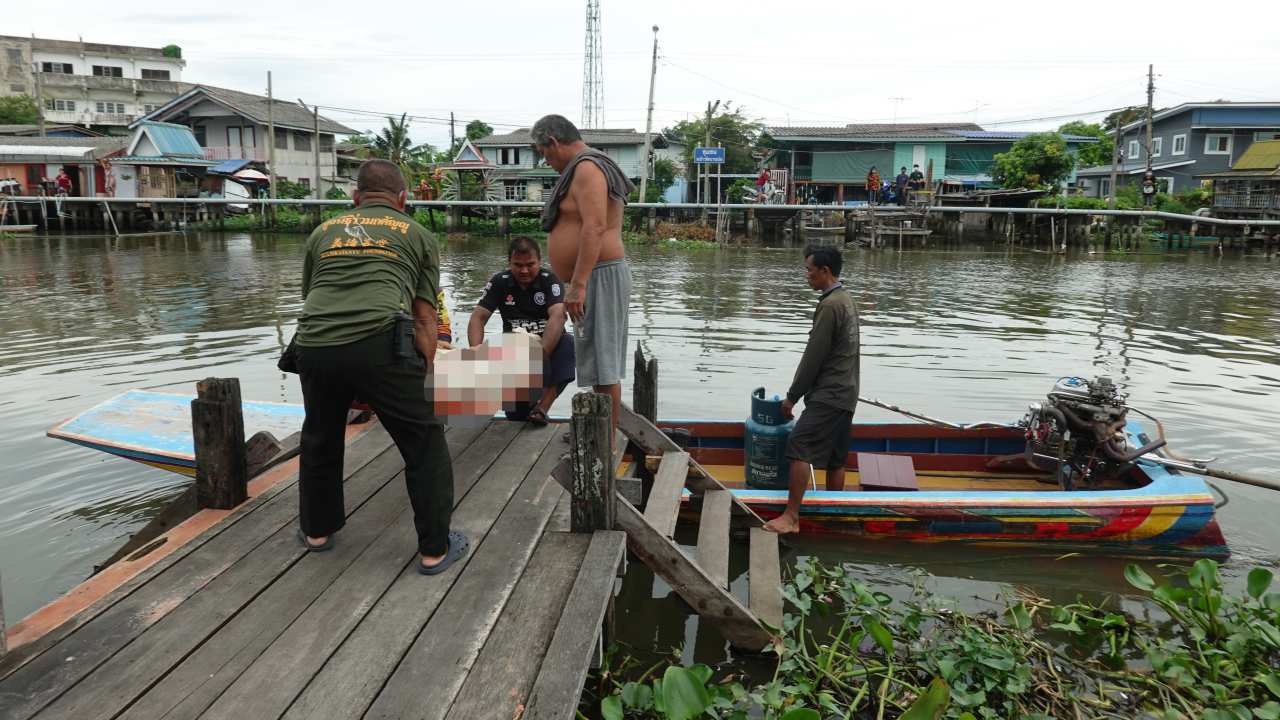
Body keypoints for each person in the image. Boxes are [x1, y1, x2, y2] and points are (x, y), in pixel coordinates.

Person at [293, 159, 463, 575]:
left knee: (320, 436)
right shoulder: (419, 234)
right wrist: (426, 378)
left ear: (355, 198)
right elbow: (425, 317)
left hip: (313, 344)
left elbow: (313, 296)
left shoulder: (323, 232)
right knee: (424, 442)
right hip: (379, 341)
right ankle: (435, 550)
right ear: (403, 199)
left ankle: (317, 531)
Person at [533, 114, 634, 443]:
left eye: (545, 154)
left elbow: (595, 226)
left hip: (598, 277)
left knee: (604, 366)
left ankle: (601, 443)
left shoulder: (588, 168)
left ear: (554, 141)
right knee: (593, 360)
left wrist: (578, 285)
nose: (546, 162)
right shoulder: (581, 168)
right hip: (592, 276)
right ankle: (595, 433)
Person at [763, 245, 860, 535]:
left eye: (809, 270)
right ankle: (835, 512)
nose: (807, 275)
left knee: (799, 446)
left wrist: (792, 396)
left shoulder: (830, 306)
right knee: (835, 457)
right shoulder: (846, 300)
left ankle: (792, 516)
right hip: (847, 392)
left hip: (830, 394)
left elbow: (813, 356)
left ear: (825, 271)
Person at [468, 236, 575, 425]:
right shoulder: (500, 282)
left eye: (530, 264)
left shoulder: (550, 281)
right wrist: (475, 350)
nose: (524, 270)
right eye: (518, 265)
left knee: (567, 343)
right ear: (509, 263)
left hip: (546, 349)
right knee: (516, 416)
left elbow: (558, 315)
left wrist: (539, 356)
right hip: (514, 353)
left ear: (539, 261)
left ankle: (542, 408)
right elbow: (478, 317)